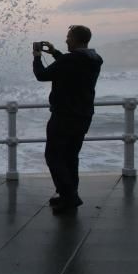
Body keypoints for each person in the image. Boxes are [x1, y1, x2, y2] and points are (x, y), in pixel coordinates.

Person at [33, 25, 103, 214]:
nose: (66, 40)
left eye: (68, 37)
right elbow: (70, 64)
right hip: (83, 115)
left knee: (54, 156)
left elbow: (42, 75)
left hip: (64, 116)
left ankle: (70, 197)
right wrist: (55, 52)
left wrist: (37, 56)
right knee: (71, 156)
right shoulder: (94, 59)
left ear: (76, 39)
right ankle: (68, 195)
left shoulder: (72, 60)